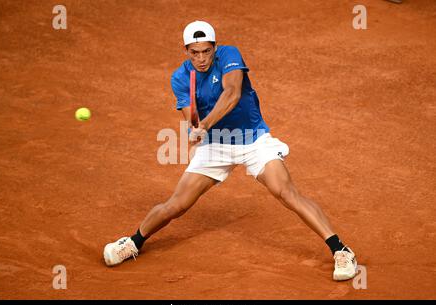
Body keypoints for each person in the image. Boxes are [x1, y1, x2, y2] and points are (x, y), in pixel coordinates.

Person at [103, 21, 358, 281]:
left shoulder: (229, 55)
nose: (201, 58)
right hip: (215, 144)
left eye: (206, 51)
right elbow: (190, 117)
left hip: (253, 140)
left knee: (285, 192)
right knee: (177, 204)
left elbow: (233, 93)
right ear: (186, 51)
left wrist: (204, 125)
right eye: (194, 52)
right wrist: (194, 127)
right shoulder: (180, 78)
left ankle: (341, 250)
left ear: (215, 47)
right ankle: (133, 242)